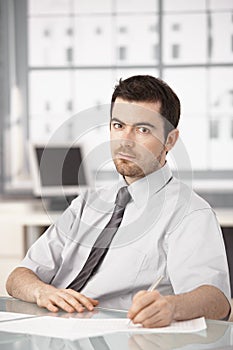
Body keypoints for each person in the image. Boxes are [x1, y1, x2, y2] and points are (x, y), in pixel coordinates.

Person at [6, 75, 231, 327]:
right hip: (50, 330)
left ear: (170, 140)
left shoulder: (191, 213)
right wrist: (42, 292)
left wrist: (170, 307)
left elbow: (217, 300)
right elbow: (19, 276)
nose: (126, 140)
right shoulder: (88, 202)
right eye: (118, 125)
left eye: (143, 129)